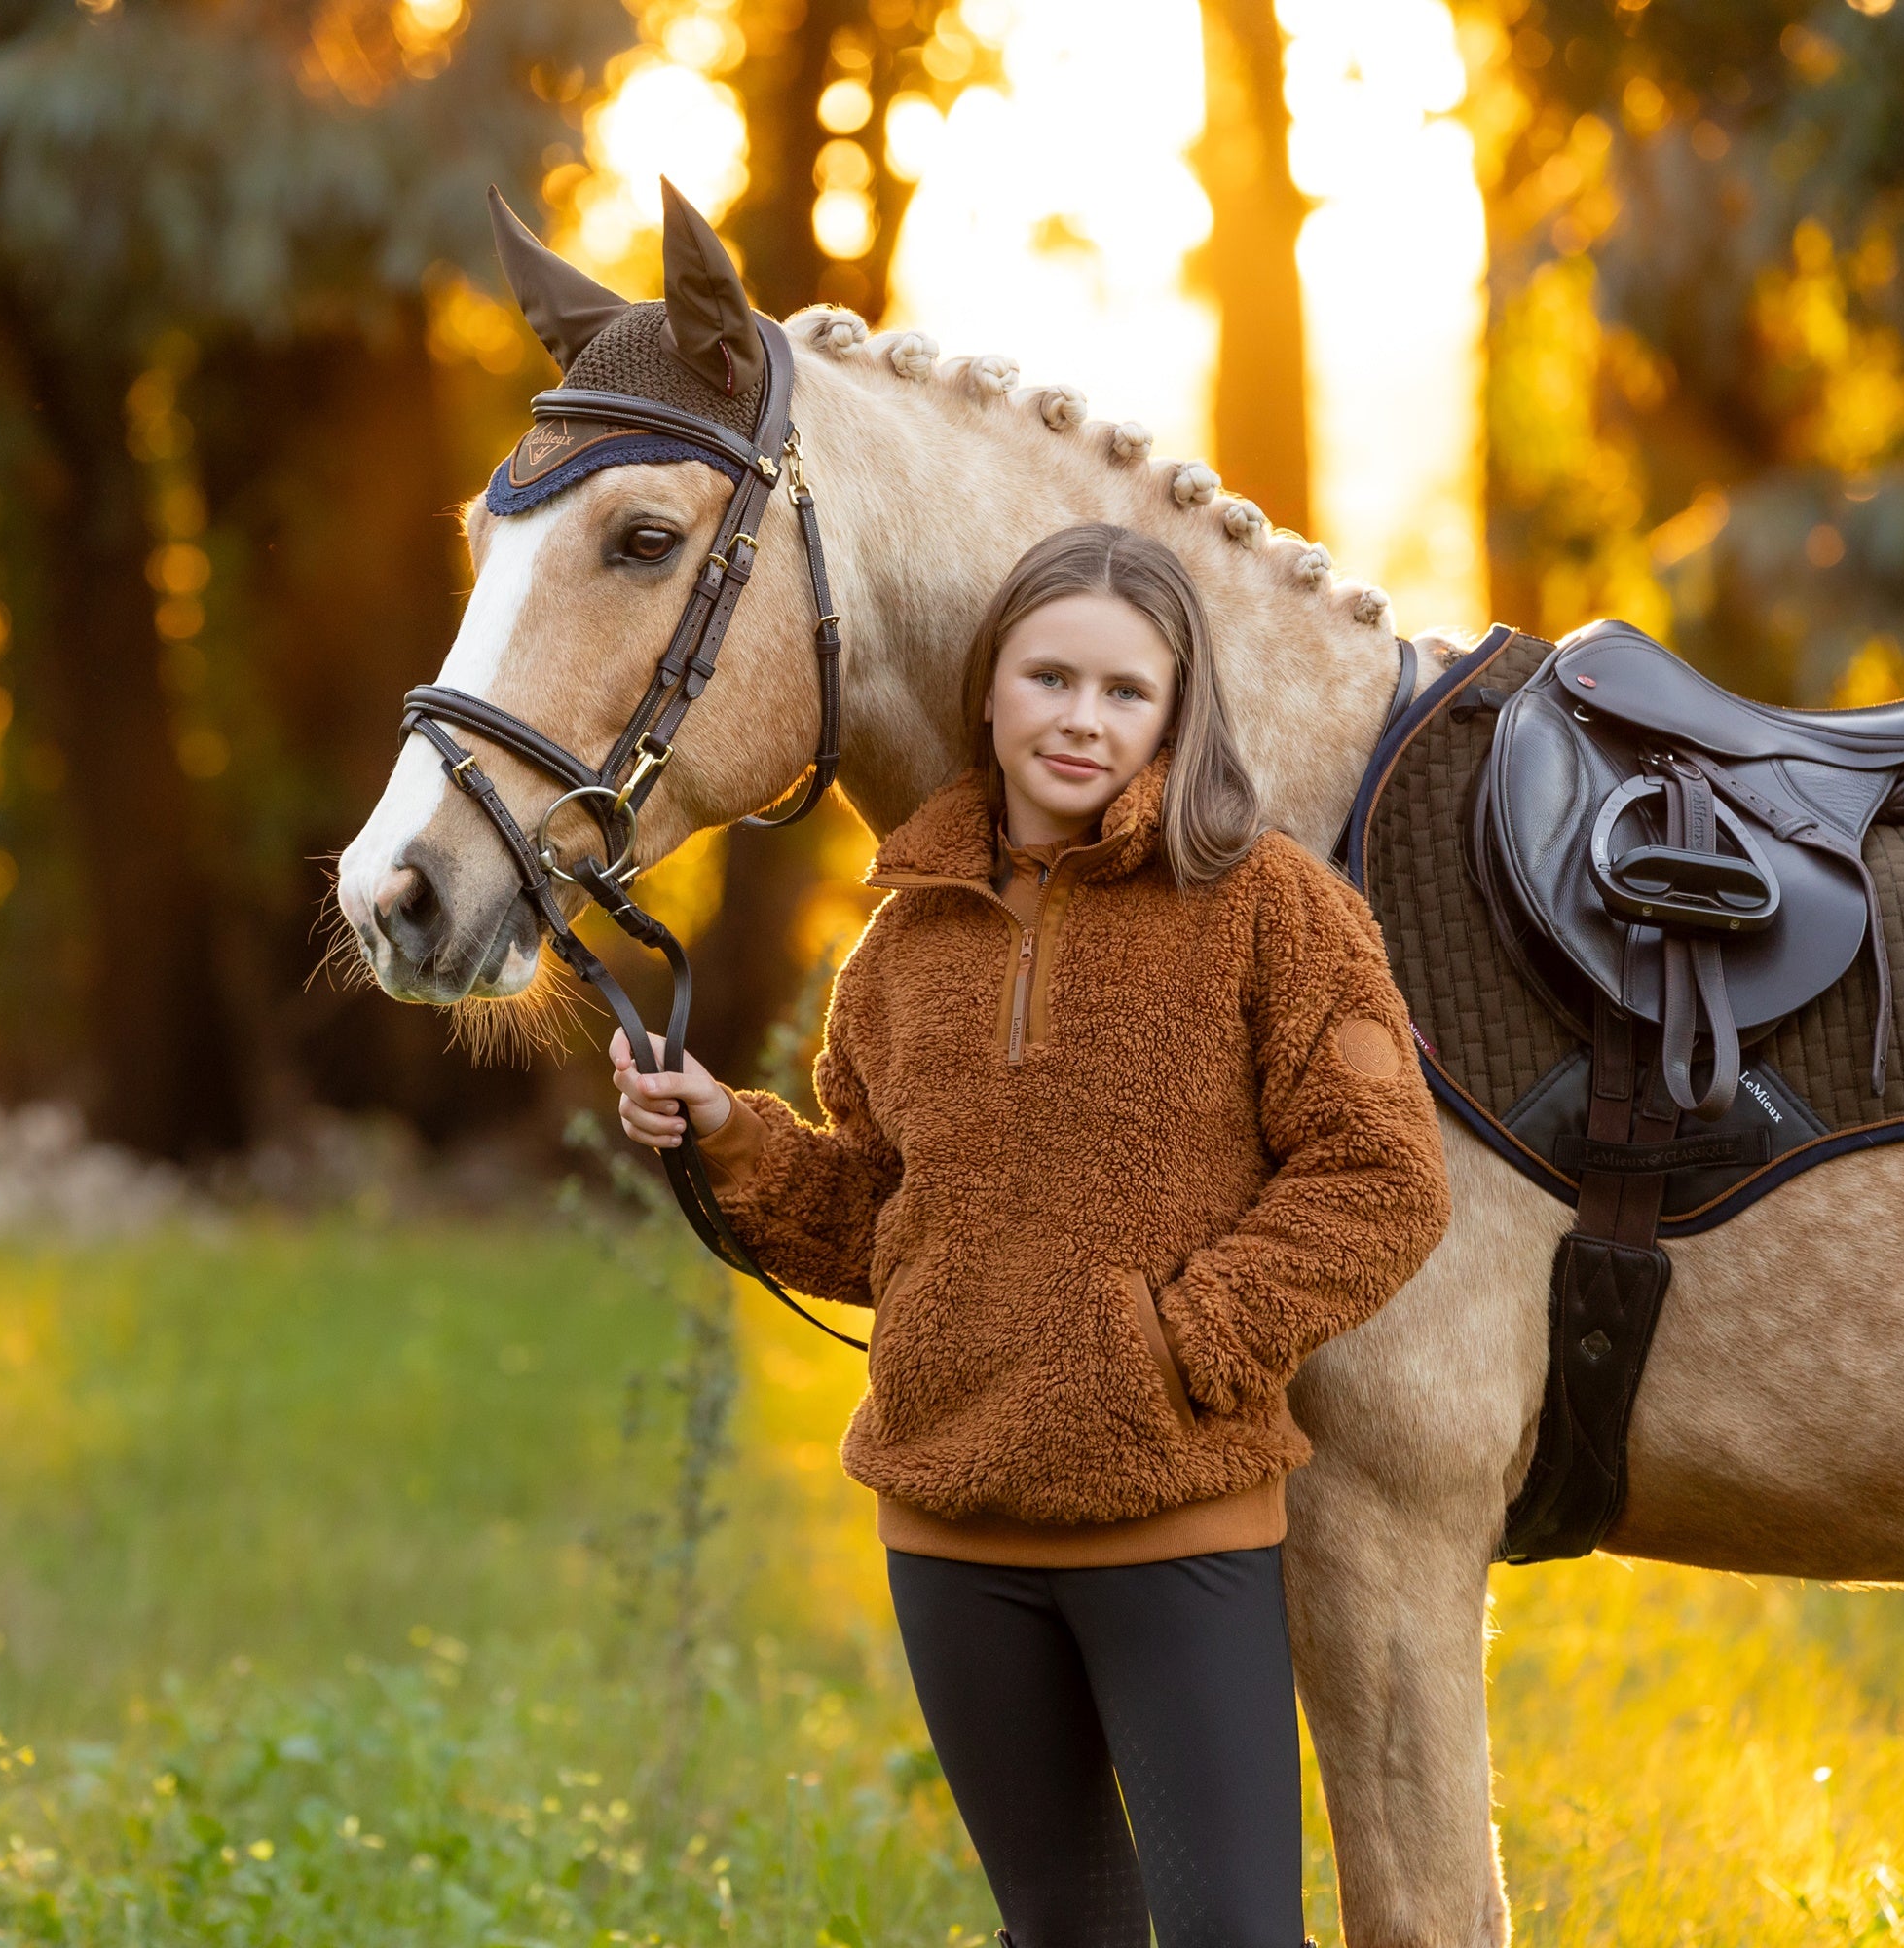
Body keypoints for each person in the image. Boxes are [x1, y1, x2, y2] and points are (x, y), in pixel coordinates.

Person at [612, 521, 1451, 1947]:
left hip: (1173, 1517)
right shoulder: (899, 948)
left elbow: (1384, 1175)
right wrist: (733, 1139)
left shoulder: (1271, 910)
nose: (1082, 719)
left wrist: (1183, 1341)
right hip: (949, 1530)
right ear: (990, 690)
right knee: (1060, 1933)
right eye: (1051, 678)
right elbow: (880, 1220)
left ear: (1176, 714)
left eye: (1127, 691)